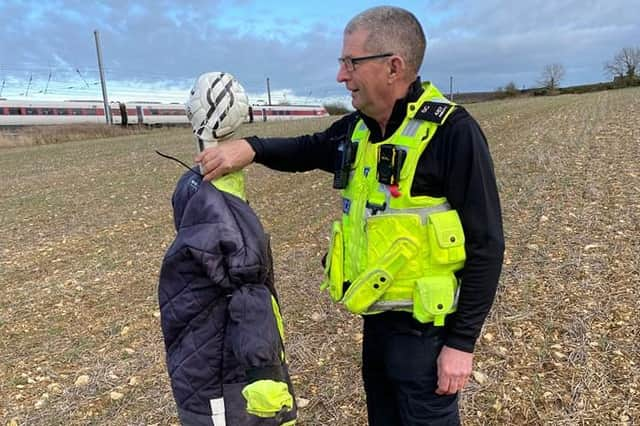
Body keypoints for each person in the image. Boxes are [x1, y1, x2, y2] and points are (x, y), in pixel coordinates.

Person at [194, 6, 504, 425]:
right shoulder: (358, 129)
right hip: (377, 325)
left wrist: (462, 345)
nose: (341, 76)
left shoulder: (452, 132)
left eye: (350, 62)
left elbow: (487, 245)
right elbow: (307, 149)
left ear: (393, 67)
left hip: (429, 338)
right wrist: (250, 147)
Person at [158, 72, 297, 426]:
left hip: (205, 356)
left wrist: (263, 374)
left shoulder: (194, 186)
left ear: (193, 113)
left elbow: (241, 289)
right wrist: (266, 373)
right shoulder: (221, 201)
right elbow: (248, 293)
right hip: (217, 361)